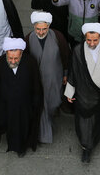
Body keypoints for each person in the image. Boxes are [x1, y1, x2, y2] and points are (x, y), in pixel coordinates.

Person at [65, 23, 100, 163]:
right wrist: (70, 92)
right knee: (85, 123)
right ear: (84, 38)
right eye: (88, 40)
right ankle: (86, 148)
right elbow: (73, 71)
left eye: (95, 40)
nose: (92, 43)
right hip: (84, 94)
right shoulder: (77, 50)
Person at [0, 37, 43, 157]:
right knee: (10, 125)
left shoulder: (30, 62)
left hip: (25, 105)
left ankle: (21, 148)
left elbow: (36, 83)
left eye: (16, 58)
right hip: (6, 104)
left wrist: (36, 101)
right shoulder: (0, 62)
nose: (12, 61)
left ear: (21, 54)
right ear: (6, 53)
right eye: (10, 58)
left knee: (23, 126)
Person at [24, 11, 70, 144]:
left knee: (54, 101)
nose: (41, 32)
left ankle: (51, 113)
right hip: (37, 80)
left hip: (55, 78)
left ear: (49, 27)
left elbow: (65, 55)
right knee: (41, 106)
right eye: (38, 29)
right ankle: (44, 132)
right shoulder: (28, 39)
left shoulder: (58, 37)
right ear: (34, 27)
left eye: (44, 29)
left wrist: (66, 73)